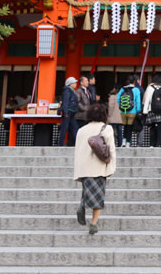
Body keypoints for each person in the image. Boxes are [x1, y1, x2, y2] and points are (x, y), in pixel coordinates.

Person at [73, 103, 117, 235]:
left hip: (85, 168)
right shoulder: (107, 128)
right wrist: (111, 167)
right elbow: (111, 149)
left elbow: (78, 151)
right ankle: (93, 223)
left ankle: (83, 203)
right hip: (99, 167)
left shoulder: (81, 130)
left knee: (88, 191)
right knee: (98, 196)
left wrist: (78, 170)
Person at [142, 74, 161, 147]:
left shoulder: (150, 88)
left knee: (152, 128)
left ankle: (151, 144)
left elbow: (147, 100)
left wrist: (145, 111)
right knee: (159, 128)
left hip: (151, 110)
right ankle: (158, 144)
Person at [116, 76, 142, 147]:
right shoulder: (136, 89)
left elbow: (118, 100)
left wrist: (122, 107)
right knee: (129, 127)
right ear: (134, 81)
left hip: (123, 111)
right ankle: (128, 143)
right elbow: (138, 101)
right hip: (132, 111)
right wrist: (138, 111)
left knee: (125, 127)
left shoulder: (122, 89)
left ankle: (123, 142)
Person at [58, 77, 79, 147]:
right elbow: (66, 102)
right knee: (65, 127)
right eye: (74, 83)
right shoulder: (67, 91)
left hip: (71, 112)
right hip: (68, 112)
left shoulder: (71, 91)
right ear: (70, 84)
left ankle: (77, 143)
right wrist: (65, 112)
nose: (76, 84)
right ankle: (61, 143)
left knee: (74, 127)